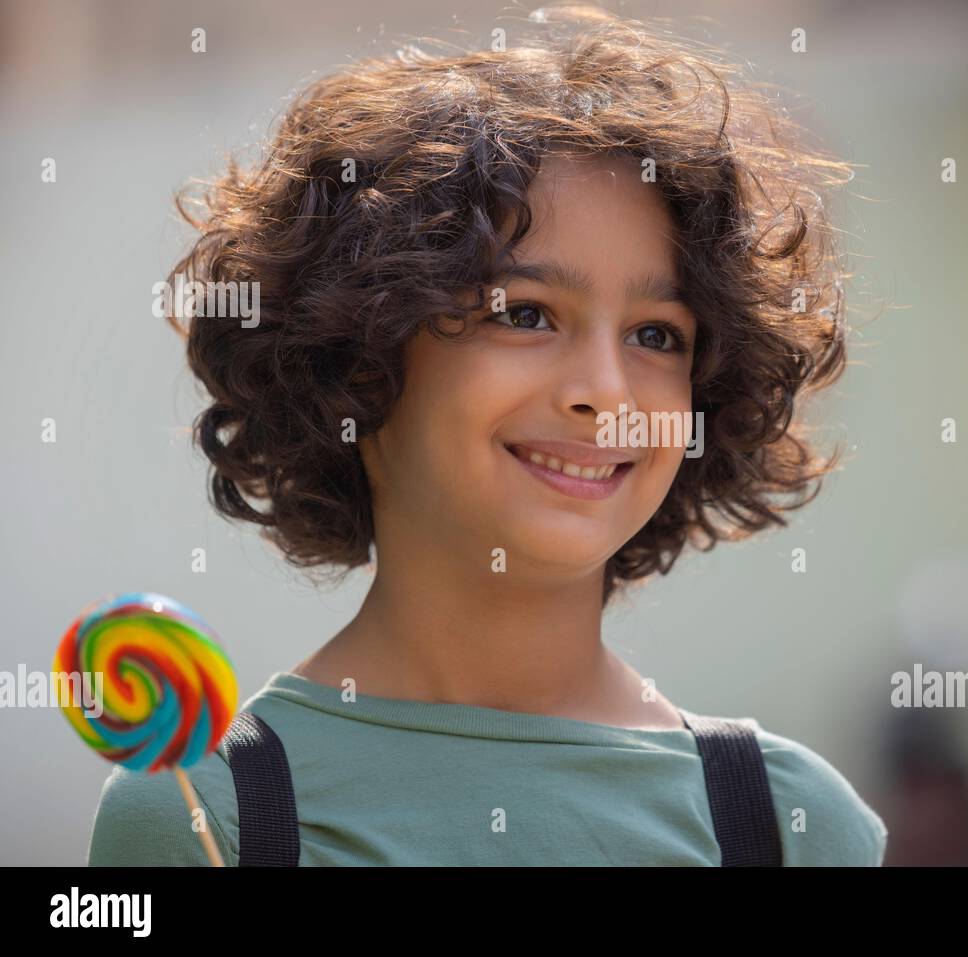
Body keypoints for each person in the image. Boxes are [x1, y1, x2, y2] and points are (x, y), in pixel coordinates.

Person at [88, 5, 886, 866]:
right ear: (360, 359)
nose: (606, 392)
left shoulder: (791, 823)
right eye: (527, 314)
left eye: (657, 334)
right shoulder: (207, 816)